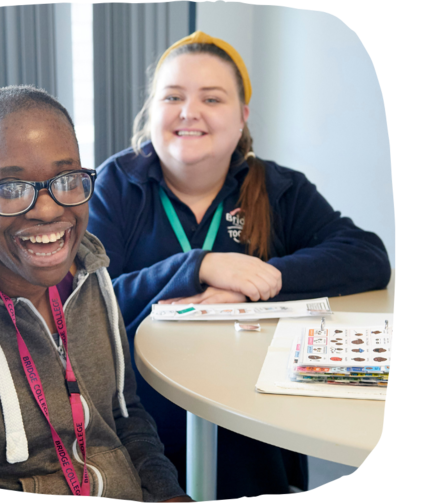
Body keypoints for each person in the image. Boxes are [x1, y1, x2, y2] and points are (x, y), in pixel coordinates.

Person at [87, 31, 391, 498]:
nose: (190, 111)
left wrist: (255, 284)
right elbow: (90, 299)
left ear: (243, 115)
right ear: (153, 109)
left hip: (253, 424)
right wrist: (200, 265)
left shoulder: (278, 188)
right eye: (173, 96)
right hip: (140, 427)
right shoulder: (116, 184)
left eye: (212, 98)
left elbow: (366, 256)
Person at [0, 85, 193, 502]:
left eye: (66, 180)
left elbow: (125, 418)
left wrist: (167, 492)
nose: (48, 210)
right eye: (11, 188)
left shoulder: (91, 275)